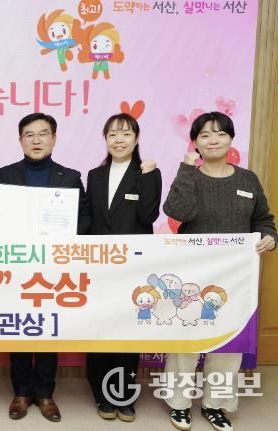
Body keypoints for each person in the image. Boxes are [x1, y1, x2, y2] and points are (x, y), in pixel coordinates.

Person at [163, 111, 277, 431]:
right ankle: (179, 404)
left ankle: (216, 405)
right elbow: (177, 211)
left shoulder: (247, 180)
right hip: (192, 272)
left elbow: (263, 220)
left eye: (220, 133)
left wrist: (270, 236)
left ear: (230, 139)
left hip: (235, 276)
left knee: (229, 342)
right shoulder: (190, 176)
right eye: (205, 135)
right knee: (186, 340)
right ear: (195, 143)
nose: (213, 140)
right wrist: (186, 169)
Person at [0, 112, 91, 422]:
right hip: (17, 265)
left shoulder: (70, 177)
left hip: (55, 266)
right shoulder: (4, 175)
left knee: (49, 329)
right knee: (21, 327)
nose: (36, 140)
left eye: (43, 134)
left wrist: (65, 240)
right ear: (20, 140)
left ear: (54, 138)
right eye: (29, 135)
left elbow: (85, 218)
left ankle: (46, 393)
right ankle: (22, 392)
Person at [85, 113, 162, 422]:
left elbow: (148, 216)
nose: (119, 140)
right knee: (99, 329)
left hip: (133, 267)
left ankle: (124, 394)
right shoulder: (95, 175)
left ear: (136, 139)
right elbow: (89, 220)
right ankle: (101, 395)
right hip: (98, 265)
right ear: (105, 139)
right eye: (113, 134)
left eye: (126, 134)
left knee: (128, 332)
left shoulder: (148, 172)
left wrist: (148, 176)